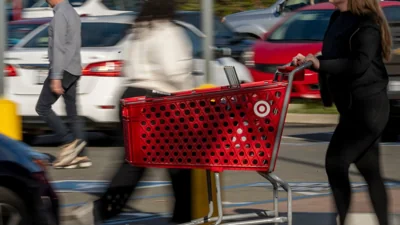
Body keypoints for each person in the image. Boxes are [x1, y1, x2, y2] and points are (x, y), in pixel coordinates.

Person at [71, 0, 194, 224]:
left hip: (131, 96)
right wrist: (190, 92)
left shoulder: (137, 31)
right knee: (179, 161)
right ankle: (185, 215)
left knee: (135, 163)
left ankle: (100, 210)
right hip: (159, 100)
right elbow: (175, 71)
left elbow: (126, 67)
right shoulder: (169, 31)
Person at [292, 0, 392, 224]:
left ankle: (341, 221)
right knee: (369, 169)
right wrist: (310, 60)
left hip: (368, 108)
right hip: (350, 107)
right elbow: (334, 53)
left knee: (336, 162)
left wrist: (320, 65)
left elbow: (358, 64)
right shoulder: (337, 18)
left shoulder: (368, 22)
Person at [35, 0, 91, 169]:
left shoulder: (60, 14)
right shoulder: (72, 12)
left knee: (42, 108)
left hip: (62, 69)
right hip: (73, 68)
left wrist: (56, 77)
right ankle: (81, 156)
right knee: (73, 112)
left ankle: (68, 143)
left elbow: (59, 47)